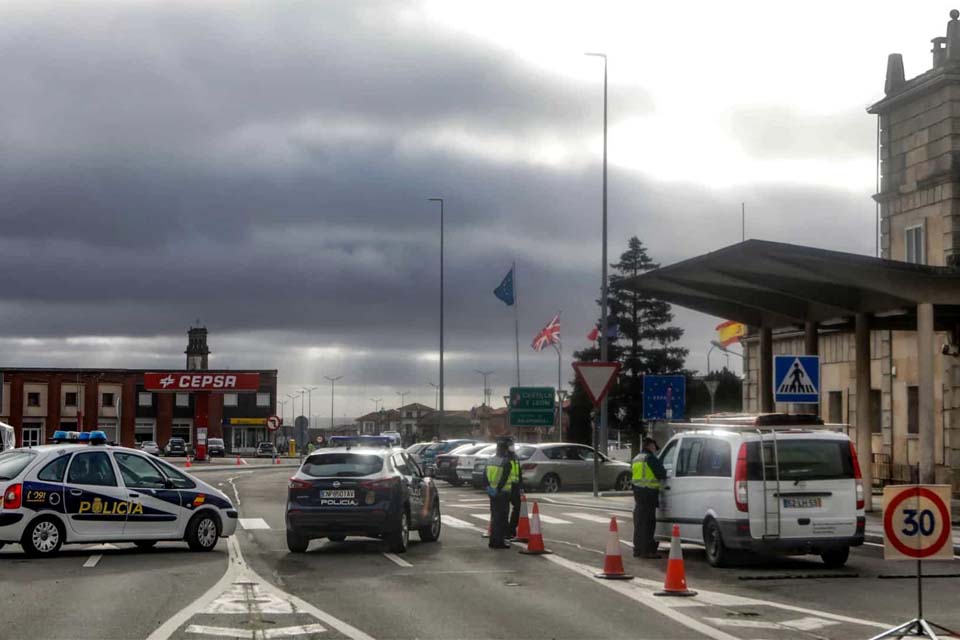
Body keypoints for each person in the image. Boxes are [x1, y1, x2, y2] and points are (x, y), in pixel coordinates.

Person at [632, 437, 667, 558]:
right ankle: (647, 551)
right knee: (648, 522)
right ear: (650, 446)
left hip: (638, 493)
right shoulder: (650, 458)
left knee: (639, 522)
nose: (654, 450)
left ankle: (637, 549)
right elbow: (662, 473)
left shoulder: (636, 458)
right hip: (649, 493)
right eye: (654, 447)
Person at [485, 438, 514, 549]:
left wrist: (489, 488)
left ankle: (493, 541)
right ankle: (499, 542)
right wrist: (498, 488)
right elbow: (504, 479)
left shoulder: (489, 461)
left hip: (492, 493)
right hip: (503, 493)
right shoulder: (506, 463)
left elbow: (484, 476)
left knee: (494, 517)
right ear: (504, 450)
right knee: (502, 518)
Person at [506, 443, 523, 538]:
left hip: (515, 486)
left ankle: (511, 529)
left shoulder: (515, 457)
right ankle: (506, 531)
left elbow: (519, 472)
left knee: (518, 507)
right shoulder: (505, 457)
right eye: (510, 445)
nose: (512, 447)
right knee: (504, 510)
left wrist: (521, 486)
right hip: (505, 487)